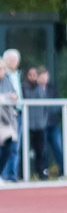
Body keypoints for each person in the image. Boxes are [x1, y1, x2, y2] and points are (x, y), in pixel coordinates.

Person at [23, 67, 52, 180]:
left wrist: (44, 120)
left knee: (41, 150)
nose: (33, 77)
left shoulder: (41, 88)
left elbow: (45, 104)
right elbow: (29, 98)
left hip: (40, 124)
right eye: (31, 74)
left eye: (35, 74)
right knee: (24, 150)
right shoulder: (24, 87)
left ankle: (42, 172)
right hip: (28, 124)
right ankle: (24, 173)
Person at [0, 49, 23, 182]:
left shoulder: (7, 81)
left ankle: (5, 173)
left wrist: (5, 97)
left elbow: (14, 95)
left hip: (7, 119)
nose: (2, 72)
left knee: (11, 146)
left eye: (3, 69)